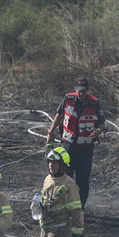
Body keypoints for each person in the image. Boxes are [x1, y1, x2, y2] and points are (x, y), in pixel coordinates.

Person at [46, 76, 106, 209]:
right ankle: (62, 205)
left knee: (83, 179)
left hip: (85, 147)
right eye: (80, 91)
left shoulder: (95, 103)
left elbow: (102, 124)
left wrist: (98, 131)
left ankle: (80, 208)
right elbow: (59, 115)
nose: (82, 93)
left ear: (87, 90)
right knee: (64, 175)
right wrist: (50, 133)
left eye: (84, 91)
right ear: (75, 89)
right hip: (68, 145)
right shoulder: (68, 99)